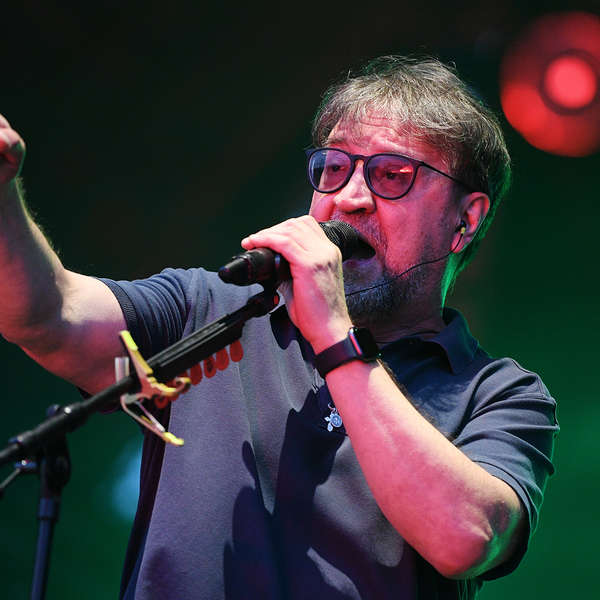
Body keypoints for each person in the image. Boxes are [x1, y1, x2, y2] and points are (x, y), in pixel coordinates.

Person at [0, 56, 557, 599]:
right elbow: (46, 316)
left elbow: (465, 539)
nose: (349, 198)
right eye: (334, 169)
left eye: (392, 175)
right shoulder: (210, 309)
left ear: (466, 219)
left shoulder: (502, 395)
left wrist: (334, 334)